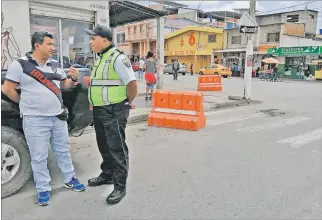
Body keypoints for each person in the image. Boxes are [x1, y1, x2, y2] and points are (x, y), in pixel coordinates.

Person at [1, 31, 85, 206]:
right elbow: (8, 89)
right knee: (39, 156)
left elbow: (64, 86)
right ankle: (43, 188)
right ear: (37, 45)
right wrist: (23, 103)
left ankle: (70, 178)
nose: (53, 48)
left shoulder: (55, 65)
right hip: (34, 120)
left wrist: (73, 78)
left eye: (53, 44)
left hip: (57, 117)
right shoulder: (20, 65)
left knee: (63, 151)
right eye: (49, 44)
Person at [85, 25, 137, 204]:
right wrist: (93, 101)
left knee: (117, 148)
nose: (90, 42)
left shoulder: (117, 58)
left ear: (104, 40)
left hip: (115, 110)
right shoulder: (100, 58)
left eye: (93, 38)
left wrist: (128, 102)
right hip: (100, 110)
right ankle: (107, 174)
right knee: (103, 145)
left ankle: (119, 186)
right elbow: (98, 84)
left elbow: (131, 83)